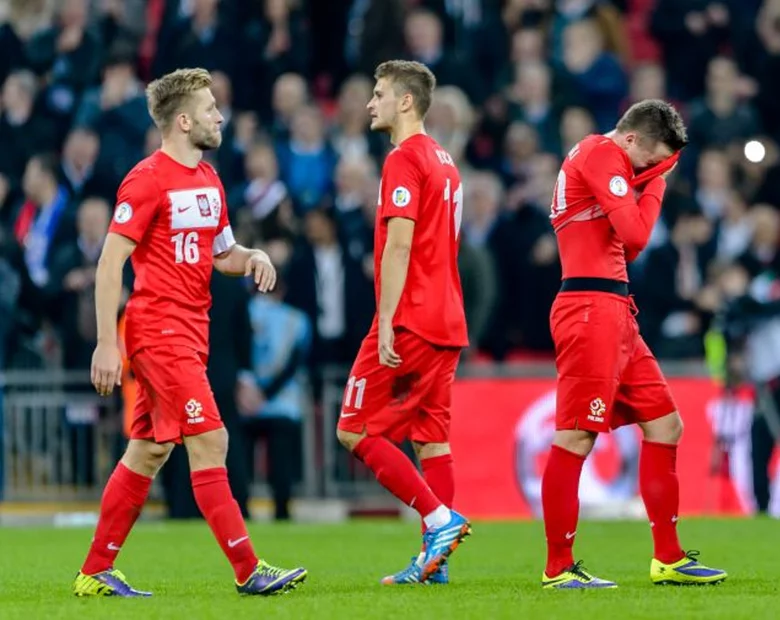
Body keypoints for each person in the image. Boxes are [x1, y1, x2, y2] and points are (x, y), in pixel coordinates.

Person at [72, 68, 307, 597]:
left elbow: (222, 253)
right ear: (183, 120)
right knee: (213, 439)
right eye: (209, 109)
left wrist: (254, 257)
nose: (219, 116)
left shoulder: (209, 179)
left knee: (149, 451)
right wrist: (108, 342)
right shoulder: (146, 178)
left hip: (192, 332)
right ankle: (249, 570)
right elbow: (111, 264)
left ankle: (94, 570)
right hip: (158, 330)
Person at [541, 99, 728, 589]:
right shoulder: (602, 153)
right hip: (589, 308)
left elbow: (622, 242)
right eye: (648, 161)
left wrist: (649, 174)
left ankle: (668, 557)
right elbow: (636, 234)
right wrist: (660, 182)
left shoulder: (600, 158)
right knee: (576, 435)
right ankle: (557, 566)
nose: (648, 171)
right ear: (629, 139)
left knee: (666, 424)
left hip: (615, 310)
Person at [336, 60, 471, 585]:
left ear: (406, 102)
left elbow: (399, 243)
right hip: (447, 319)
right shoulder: (445, 160)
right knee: (431, 442)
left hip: (411, 316)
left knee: (354, 428)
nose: (370, 103)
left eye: (378, 93)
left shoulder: (404, 158)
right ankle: (435, 565)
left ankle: (439, 521)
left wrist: (386, 319)